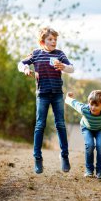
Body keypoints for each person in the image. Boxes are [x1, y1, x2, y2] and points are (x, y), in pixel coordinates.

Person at [18, 27, 74, 174]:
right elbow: (21, 63)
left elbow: (71, 68)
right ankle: (37, 158)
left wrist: (64, 67)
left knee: (60, 125)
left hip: (57, 94)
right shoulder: (36, 54)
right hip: (42, 94)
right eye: (50, 39)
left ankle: (65, 157)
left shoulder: (59, 54)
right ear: (42, 41)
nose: (53, 42)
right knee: (40, 125)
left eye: (55, 39)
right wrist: (25, 69)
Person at [65, 90, 101, 179]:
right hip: (87, 128)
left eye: (96, 105)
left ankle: (99, 171)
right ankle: (89, 170)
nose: (93, 107)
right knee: (90, 145)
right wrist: (68, 98)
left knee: (100, 146)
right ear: (89, 103)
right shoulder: (84, 109)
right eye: (91, 104)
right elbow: (74, 103)